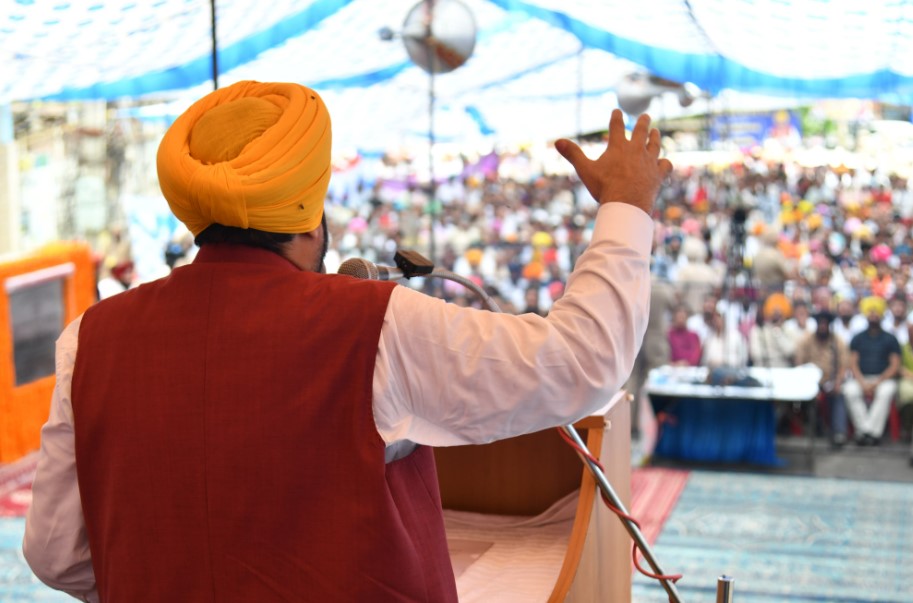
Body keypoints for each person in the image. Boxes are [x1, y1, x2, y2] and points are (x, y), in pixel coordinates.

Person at [22, 81, 672, 602]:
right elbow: (582, 360)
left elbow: (54, 553)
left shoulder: (91, 339)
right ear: (310, 218)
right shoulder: (374, 323)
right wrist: (626, 203)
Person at [843, 296, 901, 446]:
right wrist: (862, 382)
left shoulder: (890, 338)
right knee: (849, 390)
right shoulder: (858, 338)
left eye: (876, 311)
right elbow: (853, 363)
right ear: (865, 314)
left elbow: (894, 366)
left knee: (886, 392)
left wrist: (877, 382)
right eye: (870, 311)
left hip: (883, 379)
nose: (873, 314)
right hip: (861, 378)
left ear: (881, 314)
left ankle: (868, 432)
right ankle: (867, 431)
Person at [795, 311, 850, 448]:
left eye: (825, 324)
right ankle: (812, 429)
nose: (823, 326)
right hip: (810, 382)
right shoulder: (806, 340)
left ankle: (839, 433)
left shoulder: (837, 341)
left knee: (839, 395)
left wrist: (838, 381)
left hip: (831, 381)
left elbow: (844, 365)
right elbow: (799, 363)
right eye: (820, 323)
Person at [749, 293, 796, 368]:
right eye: (774, 313)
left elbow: (790, 351)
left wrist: (777, 332)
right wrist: (775, 356)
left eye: (779, 315)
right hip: (763, 368)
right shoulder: (759, 330)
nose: (776, 317)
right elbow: (756, 354)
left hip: (784, 369)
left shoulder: (789, 329)